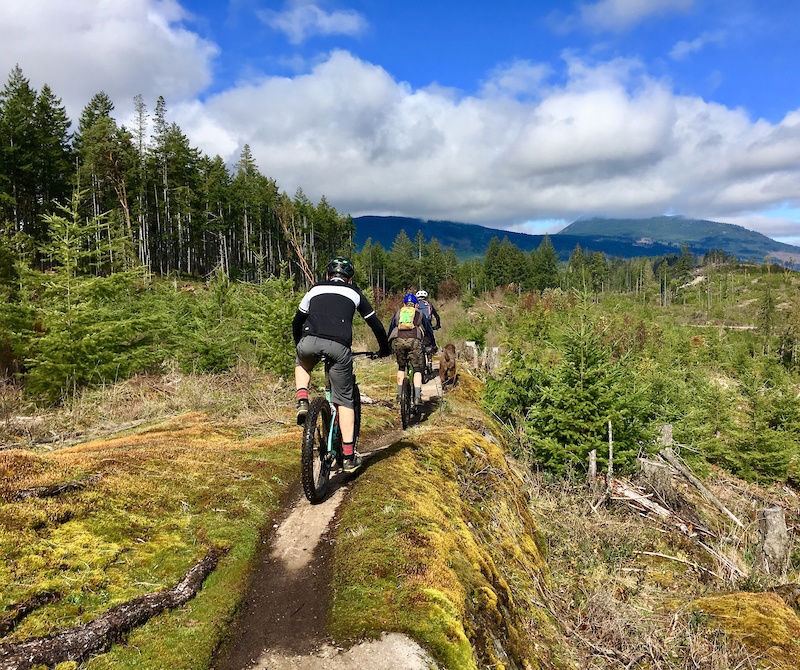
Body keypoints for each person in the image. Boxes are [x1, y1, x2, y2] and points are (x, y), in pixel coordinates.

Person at [293, 257, 391, 472]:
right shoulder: (354, 292)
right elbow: (376, 325)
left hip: (308, 340)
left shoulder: (314, 289)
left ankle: (302, 399)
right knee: (345, 401)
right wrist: (384, 349)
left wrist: (299, 343)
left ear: (328, 275)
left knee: (302, 363)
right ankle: (348, 456)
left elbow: (297, 320)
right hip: (339, 346)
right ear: (349, 278)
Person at [387, 293, 436, 407]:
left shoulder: (398, 313)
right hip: (414, 342)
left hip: (399, 341)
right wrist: (433, 344)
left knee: (401, 367)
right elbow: (429, 331)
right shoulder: (419, 314)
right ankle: (418, 397)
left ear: (404, 304)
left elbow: (391, 329)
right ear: (416, 305)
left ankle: (399, 395)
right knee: (417, 369)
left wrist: (388, 345)